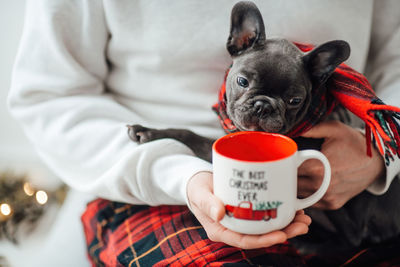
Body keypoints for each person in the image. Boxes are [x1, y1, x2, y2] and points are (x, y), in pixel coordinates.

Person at [8, 0, 400, 265]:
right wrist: (177, 173)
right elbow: (49, 95)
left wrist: (381, 152)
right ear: (239, 41)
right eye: (246, 85)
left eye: (290, 100)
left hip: (354, 178)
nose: (260, 107)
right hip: (152, 182)